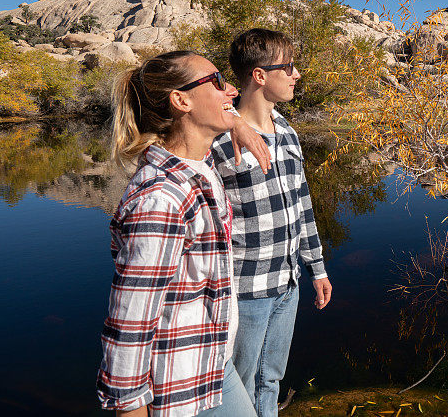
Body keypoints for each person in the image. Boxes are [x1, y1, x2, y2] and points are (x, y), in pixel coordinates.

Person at [97, 50, 263, 417]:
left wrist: (236, 123)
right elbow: (130, 323)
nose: (232, 90)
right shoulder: (161, 199)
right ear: (181, 100)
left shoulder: (199, 168)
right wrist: (130, 408)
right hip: (178, 387)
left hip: (212, 364)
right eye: (218, 82)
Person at [210, 29, 333, 417]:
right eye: (290, 67)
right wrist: (232, 121)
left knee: (271, 380)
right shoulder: (218, 140)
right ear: (260, 75)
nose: (297, 74)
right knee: (240, 385)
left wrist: (317, 268)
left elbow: (303, 205)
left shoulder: (289, 133)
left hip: (289, 283)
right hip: (246, 288)